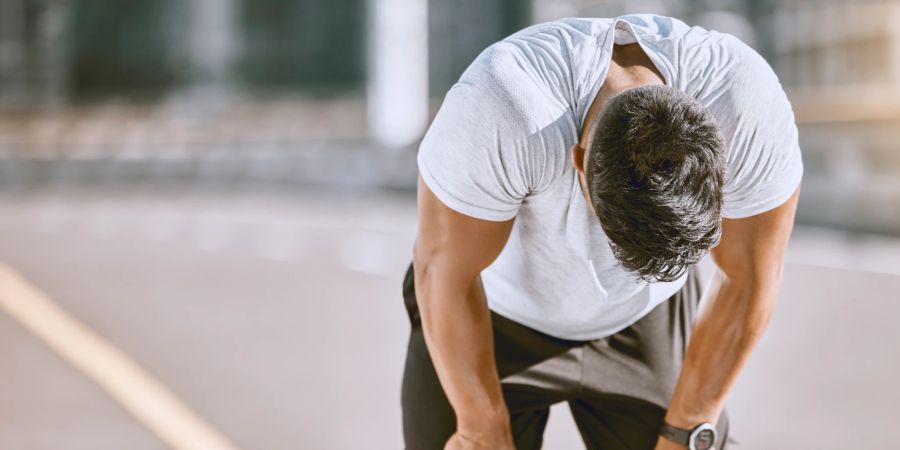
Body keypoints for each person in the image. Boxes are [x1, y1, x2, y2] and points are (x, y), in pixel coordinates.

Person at [402, 13, 802, 450]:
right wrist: (480, 428)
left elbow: (750, 279)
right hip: (494, 314)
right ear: (578, 161)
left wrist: (687, 426)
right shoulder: (503, 106)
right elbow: (443, 272)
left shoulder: (744, 105)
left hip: (646, 318)